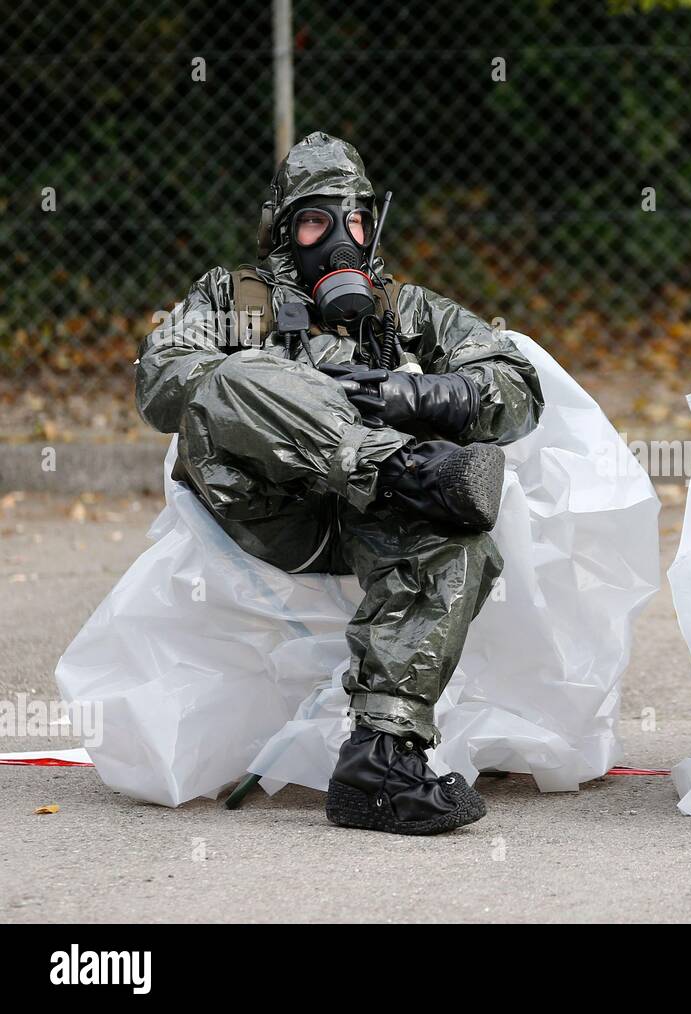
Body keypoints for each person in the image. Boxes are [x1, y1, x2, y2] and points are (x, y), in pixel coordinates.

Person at [135, 132, 543, 836]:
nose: (341, 241)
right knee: (234, 377)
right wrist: (311, 390)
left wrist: (412, 397)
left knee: (459, 539)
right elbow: (162, 380)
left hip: (370, 516)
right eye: (319, 222)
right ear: (284, 230)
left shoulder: (406, 310)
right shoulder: (238, 298)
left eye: (355, 221)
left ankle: (381, 761)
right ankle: (396, 463)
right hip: (268, 507)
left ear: (374, 226)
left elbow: (517, 385)